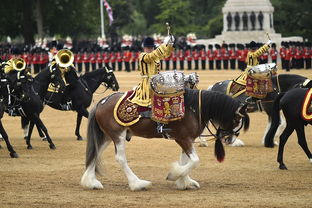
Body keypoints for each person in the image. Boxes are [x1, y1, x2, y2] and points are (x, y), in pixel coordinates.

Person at [130, 36, 174, 133]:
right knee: (153, 100)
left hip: (157, 82)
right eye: (148, 47)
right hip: (147, 83)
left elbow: (166, 54)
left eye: (151, 47)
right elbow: (151, 56)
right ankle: (157, 124)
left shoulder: (155, 55)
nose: (150, 49)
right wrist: (163, 44)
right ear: (144, 48)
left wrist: (169, 44)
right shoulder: (143, 56)